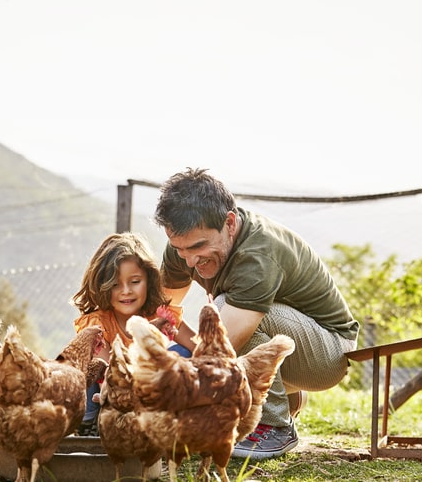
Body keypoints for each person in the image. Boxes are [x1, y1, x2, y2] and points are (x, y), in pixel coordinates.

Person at [153, 167, 360, 460]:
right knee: (215, 321)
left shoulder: (258, 254)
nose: (190, 259)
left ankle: (275, 425)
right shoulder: (183, 247)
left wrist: (166, 391)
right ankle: (282, 394)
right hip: (290, 350)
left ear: (229, 222)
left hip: (329, 353)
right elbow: (163, 311)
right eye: (180, 248)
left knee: (220, 314)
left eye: (199, 246)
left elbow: (221, 349)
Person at [71, 231, 196, 435]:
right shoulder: (97, 322)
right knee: (88, 366)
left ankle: (170, 419)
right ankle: (88, 423)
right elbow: (109, 367)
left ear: (149, 280)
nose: (126, 291)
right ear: (101, 286)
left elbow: (197, 345)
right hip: (107, 390)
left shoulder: (160, 313)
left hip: (148, 389)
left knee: (182, 352)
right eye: (115, 284)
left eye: (135, 281)